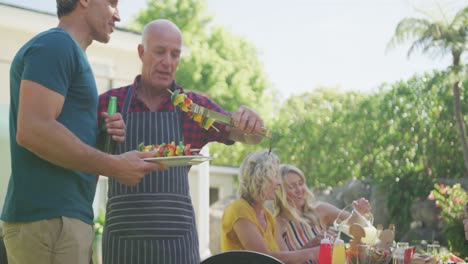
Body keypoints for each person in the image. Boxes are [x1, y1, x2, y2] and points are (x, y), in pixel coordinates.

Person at [0, 1, 165, 263]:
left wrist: (100, 133)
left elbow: (54, 132)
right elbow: (33, 130)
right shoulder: (56, 45)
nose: (119, 15)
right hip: (49, 222)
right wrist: (115, 166)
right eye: (112, 3)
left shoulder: (72, 54)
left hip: (63, 220)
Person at [98, 19, 266, 264]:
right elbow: (81, 158)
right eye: (159, 52)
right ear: (141, 52)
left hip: (177, 246)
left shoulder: (193, 108)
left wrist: (252, 123)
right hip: (124, 244)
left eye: (175, 54)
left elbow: (245, 134)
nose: (168, 62)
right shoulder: (108, 103)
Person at [221, 150, 319, 264]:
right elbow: (263, 259)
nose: (278, 183)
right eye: (275, 176)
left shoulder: (268, 216)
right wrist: (312, 253)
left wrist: (312, 246)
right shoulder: (238, 209)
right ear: (260, 178)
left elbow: (285, 259)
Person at [274, 164, 372, 252]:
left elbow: (354, 222)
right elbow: (285, 261)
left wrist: (359, 212)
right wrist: (310, 245)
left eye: (300, 183)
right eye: (292, 186)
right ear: (280, 192)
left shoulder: (319, 209)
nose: (299, 190)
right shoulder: (276, 223)